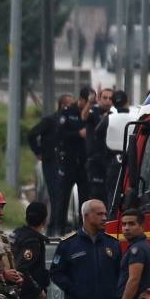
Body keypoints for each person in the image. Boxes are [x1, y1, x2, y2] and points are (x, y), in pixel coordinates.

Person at [28, 94, 73, 236]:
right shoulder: (51, 120)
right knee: (55, 194)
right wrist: (39, 151)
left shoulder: (71, 121)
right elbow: (32, 134)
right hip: (51, 161)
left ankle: (59, 225)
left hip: (66, 162)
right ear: (62, 105)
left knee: (62, 195)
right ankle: (53, 228)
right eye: (69, 104)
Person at [55, 95, 89, 234]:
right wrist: (78, 134)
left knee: (84, 198)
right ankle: (59, 228)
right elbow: (60, 134)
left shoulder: (91, 114)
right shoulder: (68, 113)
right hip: (68, 161)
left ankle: (83, 228)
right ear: (81, 100)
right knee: (63, 197)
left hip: (84, 163)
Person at [97, 89, 131, 216]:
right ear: (127, 102)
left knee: (113, 196)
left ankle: (112, 220)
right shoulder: (136, 116)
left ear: (113, 103)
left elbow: (97, 133)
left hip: (113, 161)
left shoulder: (109, 118)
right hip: (132, 161)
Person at [85, 87, 114, 201]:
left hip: (110, 159)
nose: (107, 101)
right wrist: (90, 102)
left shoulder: (115, 113)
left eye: (110, 98)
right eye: (105, 98)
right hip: (95, 160)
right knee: (96, 193)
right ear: (99, 99)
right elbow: (84, 117)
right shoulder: (93, 111)